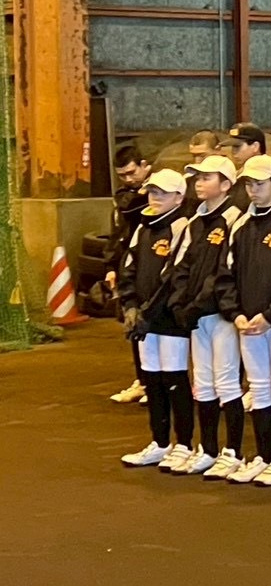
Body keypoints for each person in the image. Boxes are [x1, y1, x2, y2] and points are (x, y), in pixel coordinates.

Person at [215, 155, 271, 486]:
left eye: (259, 183)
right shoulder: (239, 225)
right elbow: (224, 273)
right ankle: (264, 456)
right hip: (247, 322)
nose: (253, 190)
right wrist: (236, 313)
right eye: (248, 184)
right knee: (258, 387)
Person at [168, 155, 245, 477]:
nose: (199, 183)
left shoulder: (234, 219)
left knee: (226, 381)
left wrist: (198, 304)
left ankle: (234, 451)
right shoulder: (195, 221)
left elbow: (223, 271)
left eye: (206, 177)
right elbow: (182, 265)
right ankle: (209, 448)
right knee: (202, 382)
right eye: (197, 178)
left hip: (221, 315)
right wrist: (180, 302)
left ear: (226, 184)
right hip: (197, 316)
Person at [118, 169, 194, 469]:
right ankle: (160, 442)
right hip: (144, 322)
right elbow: (128, 268)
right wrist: (130, 306)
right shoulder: (143, 227)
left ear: (179, 197)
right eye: (152, 191)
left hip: (169, 320)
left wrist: (148, 312)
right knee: (152, 380)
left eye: (162, 192)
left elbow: (173, 276)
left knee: (175, 380)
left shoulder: (182, 226)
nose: (155, 197)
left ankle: (184, 444)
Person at [106, 144, 155, 404]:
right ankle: (143, 381)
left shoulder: (161, 190)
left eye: (131, 172)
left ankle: (157, 383)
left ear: (145, 165)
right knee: (133, 322)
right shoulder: (125, 196)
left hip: (154, 265)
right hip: (129, 265)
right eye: (122, 175)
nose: (127, 179)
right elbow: (118, 231)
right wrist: (111, 266)